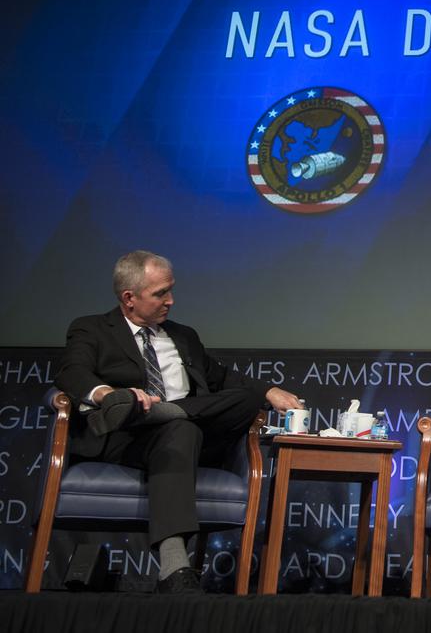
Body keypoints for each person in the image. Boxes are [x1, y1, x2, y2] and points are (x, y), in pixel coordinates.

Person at [54, 251, 303, 594]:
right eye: (160, 294)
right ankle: (174, 568)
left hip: (188, 434)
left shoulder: (183, 336)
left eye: (170, 291)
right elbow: (72, 371)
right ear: (129, 298)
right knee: (181, 426)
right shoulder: (92, 328)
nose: (170, 301)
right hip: (127, 440)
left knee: (241, 400)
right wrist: (107, 395)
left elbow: (222, 378)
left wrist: (270, 391)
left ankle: (163, 411)